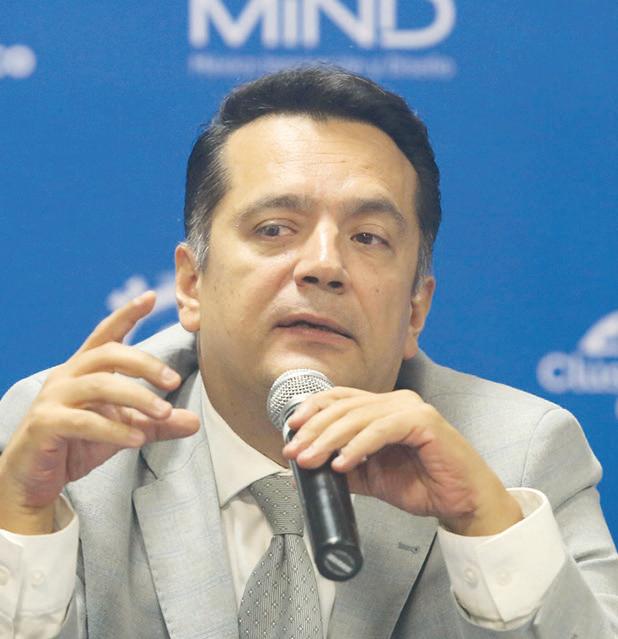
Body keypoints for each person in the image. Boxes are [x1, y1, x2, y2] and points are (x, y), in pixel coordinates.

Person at [0, 66, 616, 639]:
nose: (324, 265)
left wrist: (484, 527)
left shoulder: (520, 453)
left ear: (414, 310)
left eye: (367, 237)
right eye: (274, 229)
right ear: (190, 286)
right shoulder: (68, 442)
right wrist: (21, 518)